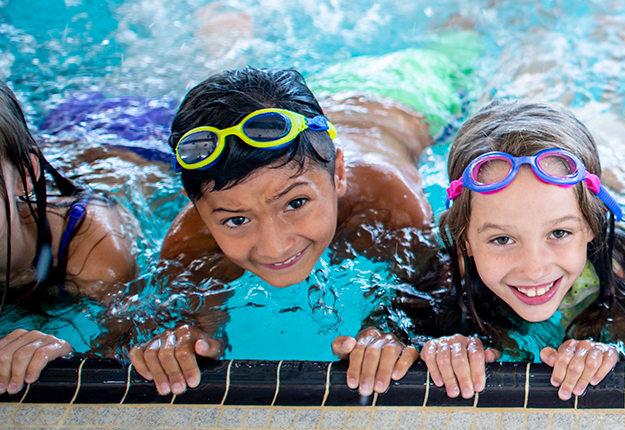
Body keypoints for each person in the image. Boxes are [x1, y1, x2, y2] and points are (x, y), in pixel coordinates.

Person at [126, 42, 475, 396]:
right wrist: (183, 340)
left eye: (296, 203)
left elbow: (432, 299)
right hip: (323, 92)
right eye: (235, 220)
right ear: (198, 210)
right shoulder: (189, 243)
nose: (274, 246)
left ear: (338, 173)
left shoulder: (388, 203)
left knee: (458, 43)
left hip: (412, 92)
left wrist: (389, 332)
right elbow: (175, 327)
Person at [413, 99, 625, 400]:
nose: (534, 269)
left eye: (559, 232)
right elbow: (388, 335)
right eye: (502, 239)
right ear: (464, 238)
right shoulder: (442, 281)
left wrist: (616, 353)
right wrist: (427, 347)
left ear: (590, 227)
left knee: (614, 131)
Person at [0, 81, 138, 395]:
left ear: (24, 177)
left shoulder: (96, 256)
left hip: (121, 137)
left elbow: (122, 364)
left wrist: (70, 360)